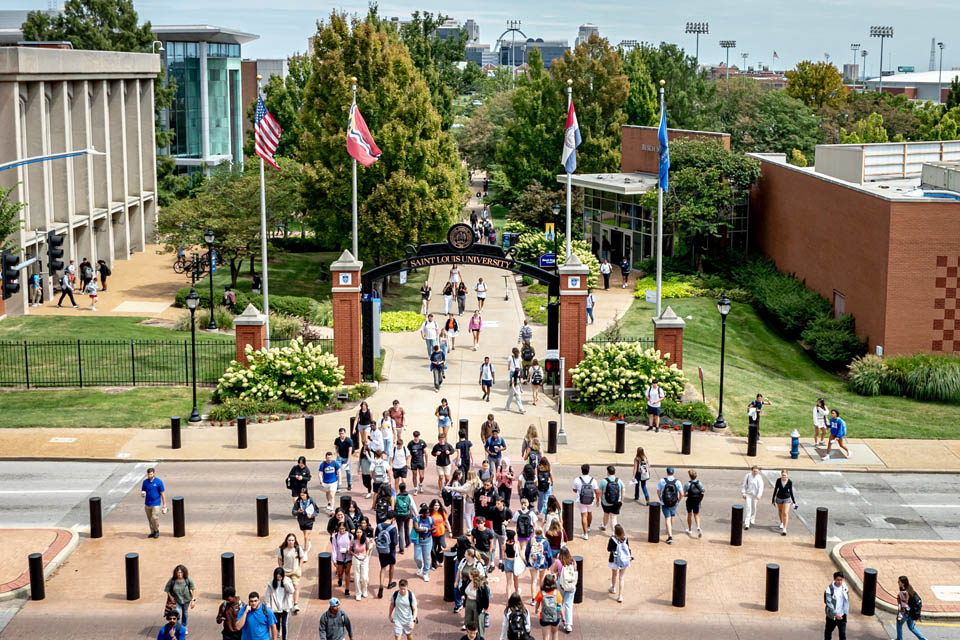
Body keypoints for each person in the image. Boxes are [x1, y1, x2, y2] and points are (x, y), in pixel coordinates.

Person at [277, 533, 306, 614]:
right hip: (285, 572)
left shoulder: (298, 548)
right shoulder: (282, 549)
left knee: (295, 586)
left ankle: (295, 604)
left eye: (292, 540)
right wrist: (281, 568)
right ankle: (284, 603)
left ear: (295, 541)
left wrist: (300, 567)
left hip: (295, 571)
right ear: (286, 540)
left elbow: (301, 557)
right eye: (289, 540)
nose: (291, 542)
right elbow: (279, 559)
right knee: (285, 587)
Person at [164, 565, 197, 632]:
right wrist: (171, 597)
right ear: (175, 573)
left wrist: (193, 600)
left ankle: (184, 627)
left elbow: (193, 589)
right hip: (177, 601)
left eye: (181, 572)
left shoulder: (188, 580)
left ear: (184, 573)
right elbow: (167, 590)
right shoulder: (172, 580)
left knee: (185, 613)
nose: (179, 574)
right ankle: (178, 627)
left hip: (186, 600)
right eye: (178, 572)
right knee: (177, 613)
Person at [375, 510, 400, 599]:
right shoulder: (392, 528)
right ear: (393, 518)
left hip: (381, 549)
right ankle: (389, 583)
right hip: (390, 550)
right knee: (391, 566)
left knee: (383, 568)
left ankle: (381, 585)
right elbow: (394, 542)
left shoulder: (379, 526)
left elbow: (376, 538)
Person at [265, 567, 295, 640]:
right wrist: (268, 605)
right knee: (277, 623)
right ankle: (278, 630)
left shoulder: (287, 581)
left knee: (284, 624)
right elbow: (267, 595)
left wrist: (285, 583)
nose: (279, 578)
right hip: (276, 607)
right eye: (277, 577)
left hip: (285, 606)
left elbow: (292, 591)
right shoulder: (271, 583)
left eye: (280, 576)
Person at [553, 548, 578, 633]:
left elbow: (553, 571)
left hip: (561, 584)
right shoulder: (573, 562)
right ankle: (568, 624)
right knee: (568, 604)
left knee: (559, 602)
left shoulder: (558, 562)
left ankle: (557, 617)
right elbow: (574, 571)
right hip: (571, 585)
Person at [572, 464, 599, 540]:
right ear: (588, 470)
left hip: (581, 500)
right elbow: (596, 491)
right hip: (591, 500)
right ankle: (588, 527)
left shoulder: (577, 479)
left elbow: (574, 489)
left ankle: (585, 534)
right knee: (589, 513)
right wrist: (597, 500)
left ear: (581, 470)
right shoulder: (593, 480)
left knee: (584, 515)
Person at [525, 526, 553, 600]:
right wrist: (549, 564)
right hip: (542, 563)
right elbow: (549, 555)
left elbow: (527, 552)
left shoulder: (531, 541)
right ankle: (541, 596)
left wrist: (527, 561)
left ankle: (533, 599)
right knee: (541, 580)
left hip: (532, 562)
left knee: (533, 580)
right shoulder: (545, 542)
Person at [657, 466, 683, 544]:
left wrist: (660, 499)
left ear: (667, 472)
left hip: (665, 502)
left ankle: (670, 536)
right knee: (672, 515)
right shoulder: (677, 482)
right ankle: (670, 530)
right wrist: (678, 500)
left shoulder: (662, 481)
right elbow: (682, 494)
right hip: (674, 502)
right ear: (673, 472)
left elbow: (658, 491)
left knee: (667, 518)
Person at [896, 576, 927, 640]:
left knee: (899, 624)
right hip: (912, 612)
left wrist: (900, 616)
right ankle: (923, 639)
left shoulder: (903, 593)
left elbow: (903, 606)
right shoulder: (909, 587)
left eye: (899, 581)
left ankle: (899, 639)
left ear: (903, 583)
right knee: (911, 627)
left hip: (906, 613)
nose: (898, 582)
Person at [607, 524, 631, 603]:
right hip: (624, 560)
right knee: (621, 577)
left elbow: (608, 549)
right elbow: (628, 548)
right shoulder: (626, 539)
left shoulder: (613, 539)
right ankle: (620, 596)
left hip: (615, 560)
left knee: (614, 574)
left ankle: (613, 588)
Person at [534, 574, 563, 639]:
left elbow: (537, 603)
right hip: (555, 616)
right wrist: (563, 617)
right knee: (555, 633)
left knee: (545, 636)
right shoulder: (557, 593)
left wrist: (536, 609)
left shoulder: (541, 592)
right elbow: (560, 606)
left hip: (544, 617)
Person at [141, 468, 167, 539]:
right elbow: (143, 491)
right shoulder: (145, 482)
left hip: (156, 503)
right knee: (150, 519)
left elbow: (162, 494)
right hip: (147, 504)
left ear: (154, 473)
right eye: (149, 474)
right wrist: (143, 494)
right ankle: (152, 532)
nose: (150, 475)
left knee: (154, 518)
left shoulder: (159, 482)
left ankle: (156, 531)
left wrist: (164, 504)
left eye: (151, 474)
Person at [330, 520, 354, 596]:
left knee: (347, 573)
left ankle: (347, 589)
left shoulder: (350, 536)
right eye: (340, 528)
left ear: (345, 528)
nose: (342, 530)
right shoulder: (335, 536)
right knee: (340, 573)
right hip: (339, 558)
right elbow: (334, 548)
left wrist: (349, 552)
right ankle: (340, 579)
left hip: (348, 557)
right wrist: (334, 559)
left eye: (343, 528)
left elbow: (352, 546)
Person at [463, 571, 489, 638]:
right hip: (468, 602)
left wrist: (485, 607)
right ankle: (469, 635)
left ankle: (480, 637)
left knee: (478, 621)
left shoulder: (481, 585)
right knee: (468, 620)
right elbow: (463, 589)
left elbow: (485, 597)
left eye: (470, 574)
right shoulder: (468, 581)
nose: (468, 576)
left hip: (476, 604)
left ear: (473, 576)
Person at [412, 504, 435, 582]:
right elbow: (417, 529)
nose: (427, 514)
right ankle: (420, 566)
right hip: (418, 541)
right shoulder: (416, 519)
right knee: (417, 558)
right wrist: (429, 530)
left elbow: (433, 528)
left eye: (428, 513)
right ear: (422, 513)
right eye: (425, 513)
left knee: (427, 558)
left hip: (428, 541)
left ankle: (425, 573)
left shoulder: (431, 519)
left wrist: (433, 530)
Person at [824, 571, 849, 640]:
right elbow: (829, 603)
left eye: (841, 580)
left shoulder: (844, 587)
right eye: (838, 580)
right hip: (832, 616)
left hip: (842, 615)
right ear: (834, 579)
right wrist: (836, 614)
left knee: (842, 634)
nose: (840, 582)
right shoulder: (829, 589)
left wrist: (845, 612)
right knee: (828, 632)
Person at [350, 524, 372, 600]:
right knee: (356, 576)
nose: (358, 534)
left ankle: (364, 590)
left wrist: (366, 555)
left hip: (364, 558)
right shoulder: (353, 540)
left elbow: (368, 548)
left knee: (364, 577)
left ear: (362, 532)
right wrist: (355, 555)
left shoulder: (366, 540)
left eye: (360, 532)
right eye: (357, 532)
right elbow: (350, 550)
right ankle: (358, 593)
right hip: (356, 558)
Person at [599, 465, 624, 533]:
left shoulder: (603, 481)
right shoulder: (619, 481)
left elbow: (600, 492)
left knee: (606, 514)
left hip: (606, 502)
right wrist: (621, 500)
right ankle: (613, 532)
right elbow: (623, 490)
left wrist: (601, 500)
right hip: (616, 502)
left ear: (608, 472)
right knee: (613, 517)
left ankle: (604, 526)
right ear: (614, 472)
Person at [772, 469, 797, 536]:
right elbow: (775, 489)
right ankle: (782, 522)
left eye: (785, 475)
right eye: (783, 475)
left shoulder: (789, 482)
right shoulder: (778, 480)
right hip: (779, 498)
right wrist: (773, 499)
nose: (784, 477)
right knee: (780, 511)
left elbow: (791, 491)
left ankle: (784, 529)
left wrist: (794, 501)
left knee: (785, 513)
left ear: (787, 475)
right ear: (781, 475)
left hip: (787, 498)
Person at [429, 499, 452, 570]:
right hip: (432, 535)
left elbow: (446, 522)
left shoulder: (442, 512)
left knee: (441, 547)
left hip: (441, 533)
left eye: (438, 505)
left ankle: (440, 559)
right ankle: (434, 563)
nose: (437, 507)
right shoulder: (429, 513)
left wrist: (450, 531)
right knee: (432, 549)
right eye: (435, 505)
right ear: (432, 506)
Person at [740, 465, 763, 530]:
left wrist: (759, 495)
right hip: (748, 494)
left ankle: (752, 518)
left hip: (755, 495)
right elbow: (744, 485)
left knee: (754, 507)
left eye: (756, 471)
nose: (755, 472)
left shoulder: (759, 477)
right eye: (754, 471)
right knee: (748, 508)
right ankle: (747, 524)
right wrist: (743, 493)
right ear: (752, 470)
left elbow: (761, 487)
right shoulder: (747, 476)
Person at [684, 469, 705, 538]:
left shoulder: (687, 484)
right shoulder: (699, 483)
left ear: (689, 476)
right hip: (697, 501)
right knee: (696, 514)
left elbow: (684, 494)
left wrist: (688, 495)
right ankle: (698, 527)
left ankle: (690, 530)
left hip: (689, 501)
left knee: (689, 514)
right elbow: (703, 491)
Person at [407, 431, 428, 495]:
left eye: (417, 436)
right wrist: (407, 463)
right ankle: (415, 488)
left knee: (422, 476)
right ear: (413, 436)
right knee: (414, 475)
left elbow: (426, 453)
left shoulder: (422, 443)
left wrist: (426, 462)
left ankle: (420, 484)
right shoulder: (410, 444)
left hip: (420, 461)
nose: (416, 438)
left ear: (419, 436)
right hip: (413, 461)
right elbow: (408, 454)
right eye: (415, 436)